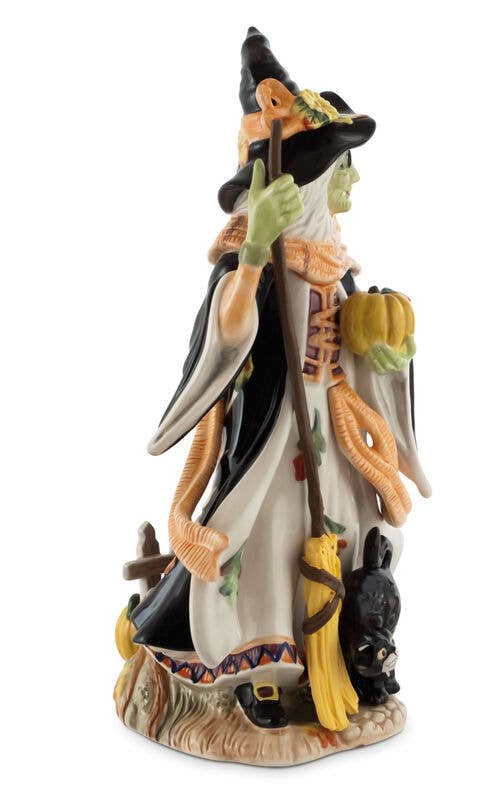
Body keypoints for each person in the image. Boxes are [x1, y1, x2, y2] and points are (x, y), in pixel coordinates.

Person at [130, 27, 430, 729]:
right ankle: (259, 669)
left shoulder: (337, 268)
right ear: (309, 182)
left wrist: (385, 355)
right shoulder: (253, 258)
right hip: (273, 434)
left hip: (332, 434)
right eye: (343, 166)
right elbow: (226, 331)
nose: (353, 179)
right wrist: (258, 248)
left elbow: (354, 354)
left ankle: (341, 659)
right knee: (261, 543)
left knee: (341, 537)